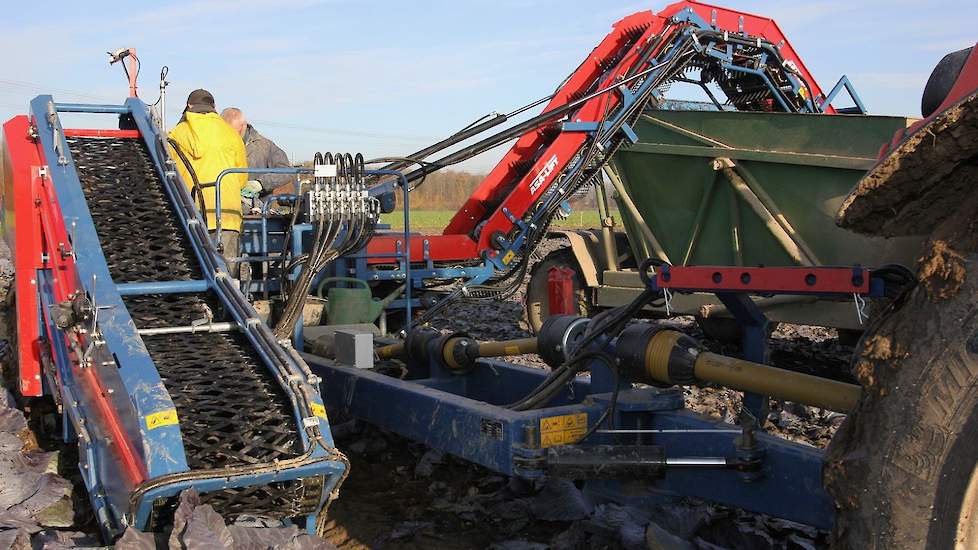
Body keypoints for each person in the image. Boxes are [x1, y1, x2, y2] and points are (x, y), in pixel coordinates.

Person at [168, 89, 247, 276]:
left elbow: (170, 175)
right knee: (228, 276)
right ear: (214, 108)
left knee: (196, 272)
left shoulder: (178, 133)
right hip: (228, 214)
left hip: (193, 214)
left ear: (189, 106)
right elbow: (242, 178)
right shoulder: (231, 133)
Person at [220, 107, 294, 212]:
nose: (232, 137)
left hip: (258, 212)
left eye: (235, 132)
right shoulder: (217, 145)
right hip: (225, 208)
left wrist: (261, 184)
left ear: (244, 125)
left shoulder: (265, 146)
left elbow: (287, 171)